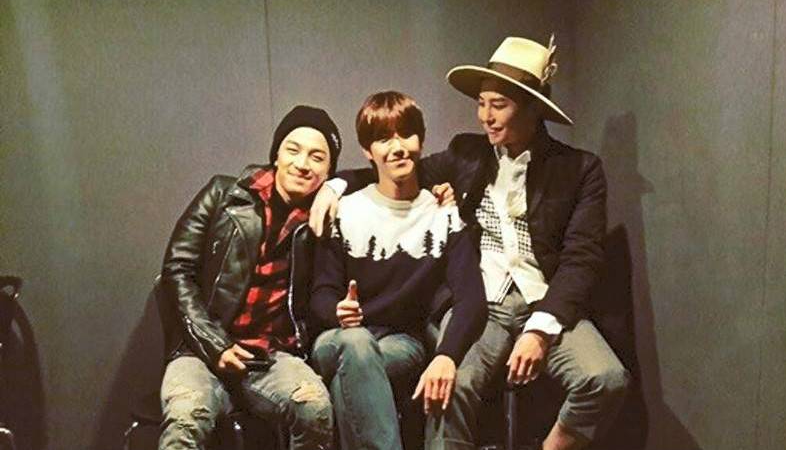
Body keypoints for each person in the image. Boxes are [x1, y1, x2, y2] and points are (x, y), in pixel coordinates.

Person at [310, 36, 630, 450]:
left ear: (532, 108)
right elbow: (396, 166)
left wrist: (540, 329)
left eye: (499, 105)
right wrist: (334, 185)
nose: (485, 117)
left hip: (547, 303)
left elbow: (581, 259)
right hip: (482, 304)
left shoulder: (579, 169)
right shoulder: (467, 153)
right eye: (481, 104)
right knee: (448, 385)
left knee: (606, 379)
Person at [309, 91, 487, 450]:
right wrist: (337, 310)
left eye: (406, 134)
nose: (398, 147)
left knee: (352, 378)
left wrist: (446, 356)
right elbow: (321, 292)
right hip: (338, 339)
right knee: (356, 344)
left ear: (421, 140)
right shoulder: (346, 209)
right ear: (367, 150)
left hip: (402, 342)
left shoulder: (442, 212)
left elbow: (472, 298)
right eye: (383, 139)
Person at [158, 105, 342, 450]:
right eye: (293, 150)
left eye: (317, 157)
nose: (303, 164)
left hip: (270, 357)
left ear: (329, 172)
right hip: (201, 351)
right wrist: (216, 345)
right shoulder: (223, 194)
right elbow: (177, 270)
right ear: (276, 155)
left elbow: (388, 170)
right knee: (186, 418)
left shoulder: (324, 221)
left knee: (314, 408)